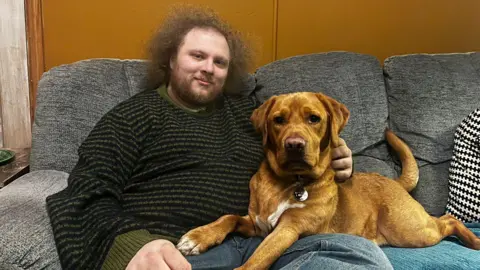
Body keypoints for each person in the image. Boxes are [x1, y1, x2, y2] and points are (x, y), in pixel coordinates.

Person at [46, 5, 392, 270]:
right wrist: (133, 245)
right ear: (170, 58)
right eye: (197, 56)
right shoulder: (131, 117)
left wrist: (338, 154)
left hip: (267, 241)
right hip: (182, 251)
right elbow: (85, 191)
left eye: (220, 62)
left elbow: (299, 137)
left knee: (358, 252)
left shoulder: (248, 114)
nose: (208, 68)